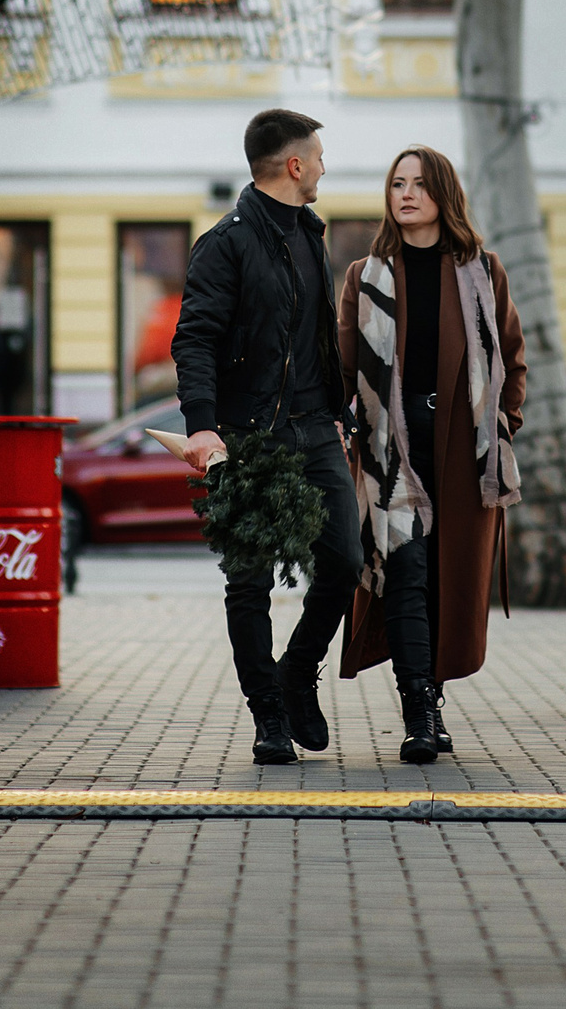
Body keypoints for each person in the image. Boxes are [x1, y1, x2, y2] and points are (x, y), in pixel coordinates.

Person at [171, 108, 361, 766]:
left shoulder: (311, 234)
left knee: (345, 559)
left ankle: (296, 671)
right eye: (319, 155)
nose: (325, 167)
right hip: (247, 436)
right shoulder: (224, 243)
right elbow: (194, 338)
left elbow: (314, 337)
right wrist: (200, 423)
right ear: (295, 164)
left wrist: (341, 411)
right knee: (248, 583)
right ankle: (269, 714)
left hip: (315, 429)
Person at [336, 145, 525, 763]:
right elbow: (343, 367)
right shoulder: (365, 275)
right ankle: (418, 710)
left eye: (419, 183)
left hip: (463, 452)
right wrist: (353, 433)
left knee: (446, 577)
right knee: (408, 573)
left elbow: (513, 359)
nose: (407, 193)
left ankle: (431, 697)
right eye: (397, 183)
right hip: (392, 447)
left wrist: (503, 427)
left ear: (444, 192)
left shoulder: (481, 270)